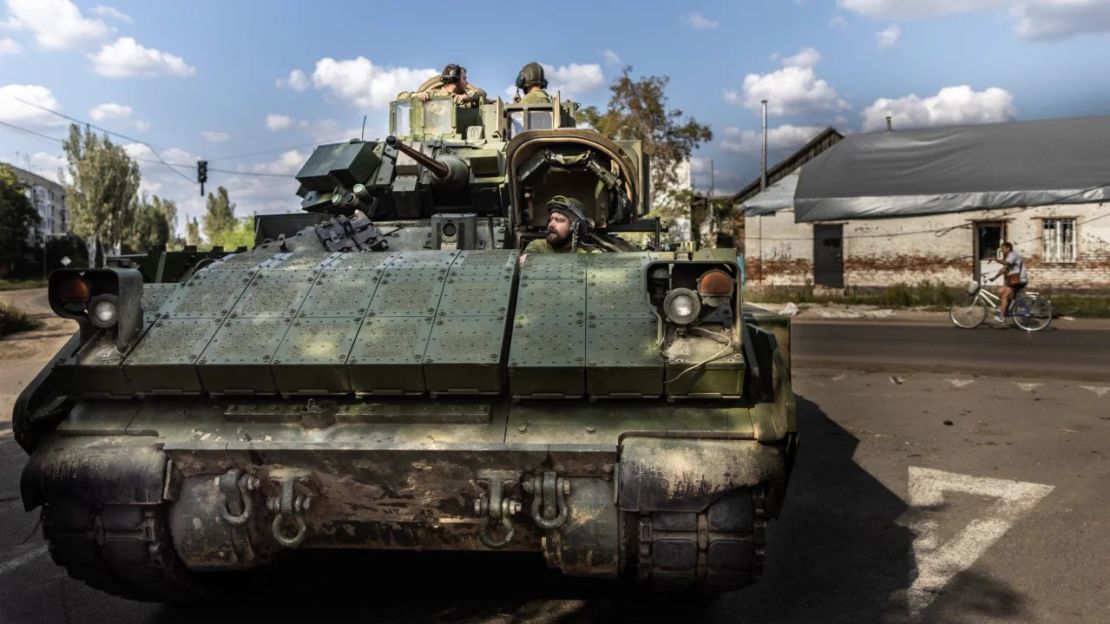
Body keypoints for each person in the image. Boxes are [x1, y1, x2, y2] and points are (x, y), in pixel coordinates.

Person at [519, 195, 592, 263]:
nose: (551, 224)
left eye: (559, 220)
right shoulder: (538, 246)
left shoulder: (590, 253)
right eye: (551, 219)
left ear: (576, 226)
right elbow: (526, 263)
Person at [399, 64, 487, 107]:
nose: (466, 83)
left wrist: (467, 97)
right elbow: (400, 97)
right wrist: (416, 95)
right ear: (455, 80)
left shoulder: (466, 98)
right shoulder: (433, 96)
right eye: (464, 79)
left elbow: (482, 93)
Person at [991, 241, 1028, 323]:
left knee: (1004, 295)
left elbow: (1006, 263)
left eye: (1003, 248)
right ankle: (1005, 308)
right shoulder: (1009, 256)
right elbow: (1003, 269)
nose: (1002, 250)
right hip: (1013, 280)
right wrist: (994, 278)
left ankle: (1002, 317)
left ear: (1008, 248)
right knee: (1000, 291)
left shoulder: (1012, 255)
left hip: (1019, 280)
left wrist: (995, 259)